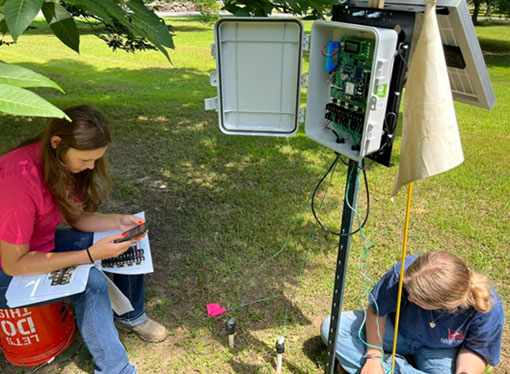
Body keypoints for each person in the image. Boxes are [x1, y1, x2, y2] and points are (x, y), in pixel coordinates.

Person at [0, 105, 167, 374]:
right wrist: (90, 256)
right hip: (7, 270)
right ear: (57, 143)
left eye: (95, 159)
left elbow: (78, 218)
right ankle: (117, 370)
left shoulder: (56, 160)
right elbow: (14, 264)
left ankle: (130, 315)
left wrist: (119, 221)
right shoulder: (17, 180)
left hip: (38, 248)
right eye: (85, 160)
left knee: (123, 239)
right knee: (91, 282)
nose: (90, 166)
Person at [320, 251, 504, 374]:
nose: (409, 299)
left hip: (440, 350)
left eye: (417, 299)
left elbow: (476, 350)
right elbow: (376, 312)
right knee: (333, 327)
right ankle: (382, 365)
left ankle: (389, 366)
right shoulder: (404, 273)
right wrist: (374, 355)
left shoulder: (488, 307)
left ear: (445, 305)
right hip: (396, 332)